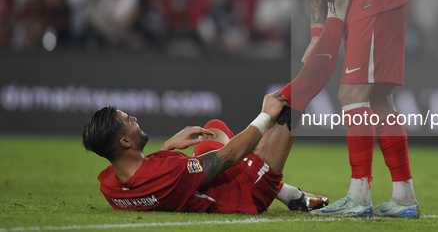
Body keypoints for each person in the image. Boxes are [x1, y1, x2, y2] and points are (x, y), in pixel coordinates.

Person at [222, 0, 419, 218]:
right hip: (364, 4)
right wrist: (317, 33)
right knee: (378, 99)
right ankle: (404, 198)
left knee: (350, 96)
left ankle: (359, 197)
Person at [82, 94, 329, 214]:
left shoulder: (110, 187)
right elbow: (231, 155)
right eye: (129, 120)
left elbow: (148, 180)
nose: (134, 119)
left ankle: (288, 194)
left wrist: (166, 147)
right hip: (247, 194)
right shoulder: (170, 171)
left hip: (186, 180)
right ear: (125, 141)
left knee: (214, 129)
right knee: (291, 103)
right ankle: (287, 193)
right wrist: (265, 115)